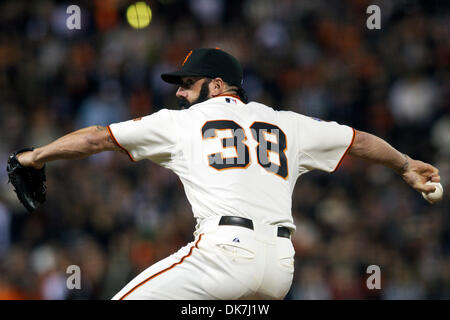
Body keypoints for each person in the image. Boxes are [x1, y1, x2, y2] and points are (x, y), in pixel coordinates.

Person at [15, 48, 441, 300]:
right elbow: (359, 141)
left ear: (217, 85)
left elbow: (95, 138)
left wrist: (34, 157)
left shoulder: (181, 122)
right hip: (279, 268)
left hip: (223, 253)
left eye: (187, 83)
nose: (180, 92)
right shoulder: (287, 122)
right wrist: (405, 164)